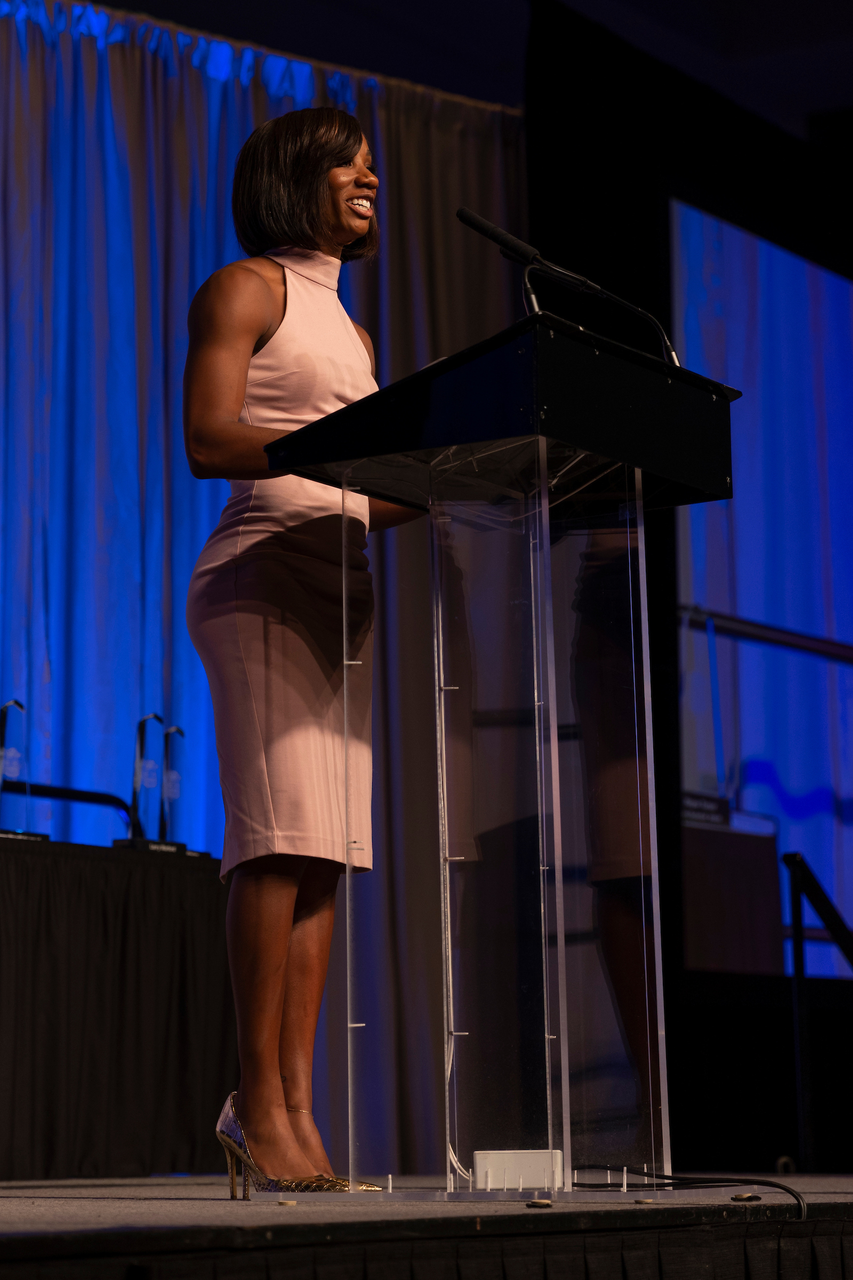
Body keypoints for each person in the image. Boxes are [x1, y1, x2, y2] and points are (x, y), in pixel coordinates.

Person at [183, 108, 418, 1197]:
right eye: (347, 162)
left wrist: (449, 482)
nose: (369, 175)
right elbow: (208, 435)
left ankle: (296, 1104)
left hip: (341, 594)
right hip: (260, 579)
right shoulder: (248, 288)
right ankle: (254, 1100)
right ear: (294, 176)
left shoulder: (356, 333)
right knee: (275, 840)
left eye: (371, 165)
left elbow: (364, 479)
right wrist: (332, 455)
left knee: (324, 855)